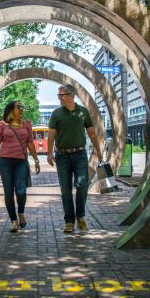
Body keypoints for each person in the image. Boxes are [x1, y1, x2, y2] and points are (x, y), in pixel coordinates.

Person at [47, 84, 103, 233]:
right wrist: (49, 153)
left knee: (82, 184)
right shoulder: (56, 113)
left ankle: (80, 216)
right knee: (65, 190)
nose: (60, 98)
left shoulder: (83, 112)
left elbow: (91, 132)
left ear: (71, 95)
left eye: (62, 95)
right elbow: (51, 134)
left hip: (80, 154)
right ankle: (69, 221)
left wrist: (98, 151)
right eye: (58, 96)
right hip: (62, 156)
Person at [0, 101, 40, 232]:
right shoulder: (2, 124)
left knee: (21, 190)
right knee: (8, 192)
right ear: (11, 109)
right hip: (5, 162)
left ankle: (21, 212)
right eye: (19, 107)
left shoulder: (27, 124)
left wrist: (36, 160)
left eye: (22, 107)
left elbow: (30, 143)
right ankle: (14, 221)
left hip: (21, 162)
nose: (22, 109)